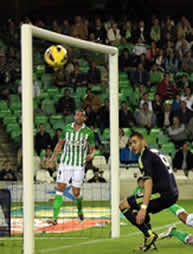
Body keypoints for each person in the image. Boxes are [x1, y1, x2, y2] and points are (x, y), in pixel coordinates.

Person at [119, 132, 179, 251]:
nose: (133, 146)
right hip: (173, 192)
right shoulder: (154, 152)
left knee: (124, 205)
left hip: (163, 193)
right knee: (138, 205)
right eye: (131, 143)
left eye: (135, 142)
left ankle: (148, 234)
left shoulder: (144, 157)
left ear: (143, 141)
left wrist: (143, 207)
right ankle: (149, 241)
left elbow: (148, 182)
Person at [47, 109, 95, 225]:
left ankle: (79, 210)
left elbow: (93, 149)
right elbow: (60, 144)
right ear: (74, 116)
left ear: (85, 118)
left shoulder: (89, 132)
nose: (78, 117)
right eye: (77, 114)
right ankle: (54, 218)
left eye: (81, 115)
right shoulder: (67, 129)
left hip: (79, 165)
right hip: (65, 163)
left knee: (76, 192)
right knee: (60, 188)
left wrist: (91, 155)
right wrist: (52, 158)